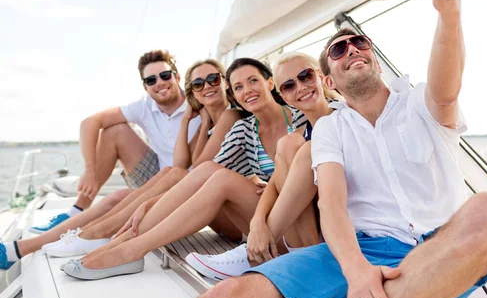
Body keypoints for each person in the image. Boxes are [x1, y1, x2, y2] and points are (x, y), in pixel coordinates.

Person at [176, 0, 487, 298]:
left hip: (439, 248)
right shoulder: (330, 129)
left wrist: (448, 7)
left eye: (359, 43)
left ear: (376, 61)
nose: (351, 49)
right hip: (360, 249)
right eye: (338, 50)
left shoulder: (421, 102)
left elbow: (447, 84)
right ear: (331, 82)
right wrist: (357, 273)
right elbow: (334, 207)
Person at [62, 58, 308, 280]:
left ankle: (130, 249)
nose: (247, 90)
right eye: (239, 87)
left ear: (270, 83)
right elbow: (199, 172)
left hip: (304, 229)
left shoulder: (301, 117)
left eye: (253, 81)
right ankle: (120, 244)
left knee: (218, 177)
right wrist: (150, 203)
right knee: (212, 171)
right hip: (268, 224)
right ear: (233, 93)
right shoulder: (245, 130)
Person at [0, 58, 241, 267]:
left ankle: (96, 234)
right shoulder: (206, 120)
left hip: (230, 215)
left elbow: (195, 169)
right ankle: (72, 233)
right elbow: (186, 163)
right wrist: (191, 121)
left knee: (173, 175)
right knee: (163, 175)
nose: (206, 86)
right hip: (205, 199)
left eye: (213, 79)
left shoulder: (230, 115)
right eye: (199, 84)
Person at [184, 52, 339, 280]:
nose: (300, 87)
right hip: (314, 226)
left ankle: (255, 254)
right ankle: (298, 255)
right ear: (283, 95)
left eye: (305, 76)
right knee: (287, 145)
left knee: (292, 146)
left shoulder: (344, 117)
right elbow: (276, 181)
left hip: (344, 222)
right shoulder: (296, 132)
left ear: (321, 76)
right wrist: (257, 221)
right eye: (288, 85)